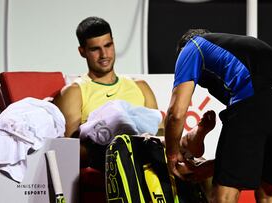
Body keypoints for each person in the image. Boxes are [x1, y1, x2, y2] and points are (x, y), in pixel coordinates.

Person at [53, 17, 216, 177]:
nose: (104, 54)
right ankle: (185, 142)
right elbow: (69, 152)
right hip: (108, 155)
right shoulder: (73, 92)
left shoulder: (140, 86)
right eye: (95, 49)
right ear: (82, 51)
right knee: (117, 116)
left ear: (114, 43)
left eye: (108, 45)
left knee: (198, 166)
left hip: (147, 151)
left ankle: (184, 146)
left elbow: (158, 129)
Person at [164, 29, 272, 203]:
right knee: (268, 192)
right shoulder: (238, 49)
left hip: (257, 98)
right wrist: (208, 168)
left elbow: (176, 114)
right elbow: (247, 156)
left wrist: (171, 156)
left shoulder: (193, 47)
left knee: (224, 195)